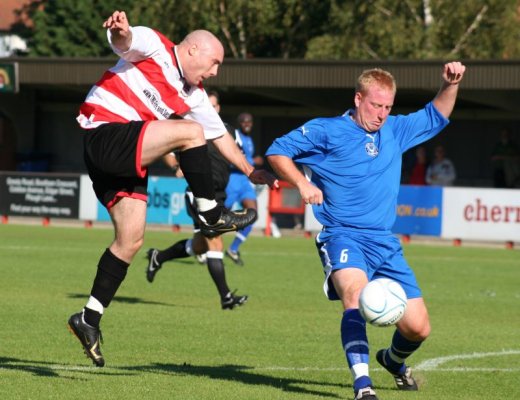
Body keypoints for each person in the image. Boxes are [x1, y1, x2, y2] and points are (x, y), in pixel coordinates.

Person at [67, 11, 276, 368]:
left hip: (125, 152)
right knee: (190, 132)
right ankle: (210, 213)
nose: (214, 73)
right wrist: (121, 32)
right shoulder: (156, 45)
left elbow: (221, 135)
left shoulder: (194, 96)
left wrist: (250, 169)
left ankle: (89, 318)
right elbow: (126, 42)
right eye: (214, 64)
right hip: (104, 134)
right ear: (193, 50)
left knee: (130, 240)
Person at [266, 62, 466, 400]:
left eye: (388, 107)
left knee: (418, 328)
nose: (382, 114)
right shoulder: (326, 130)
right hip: (342, 234)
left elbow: (437, 114)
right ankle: (363, 386)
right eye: (376, 105)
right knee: (355, 299)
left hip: (384, 242)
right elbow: (277, 151)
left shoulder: (395, 130)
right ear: (359, 98)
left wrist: (450, 84)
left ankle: (392, 360)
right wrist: (300, 182)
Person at [145, 90, 249, 310]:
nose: (209, 110)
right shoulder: (188, 129)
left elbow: (236, 156)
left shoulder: (228, 132)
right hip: (199, 193)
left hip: (219, 194)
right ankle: (226, 297)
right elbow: (166, 150)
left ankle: (158, 256)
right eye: (206, 105)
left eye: (213, 106)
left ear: (218, 109)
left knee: (200, 246)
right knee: (215, 242)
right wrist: (176, 166)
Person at [224, 112, 260, 266]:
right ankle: (204, 247)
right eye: (244, 121)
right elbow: (231, 158)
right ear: (239, 123)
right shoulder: (235, 136)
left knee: (253, 214)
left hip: (245, 182)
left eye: (249, 121)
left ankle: (233, 249)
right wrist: (254, 160)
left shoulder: (249, 139)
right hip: (232, 180)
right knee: (218, 218)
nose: (247, 124)